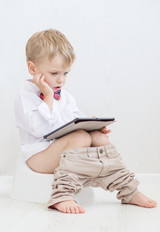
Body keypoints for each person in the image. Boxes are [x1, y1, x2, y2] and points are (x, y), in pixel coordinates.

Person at [15, 29, 157, 214]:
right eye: (55, 72)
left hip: (61, 148)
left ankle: (128, 189)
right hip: (38, 156)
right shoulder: (26, 96)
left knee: (97, 138)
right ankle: (62, 194)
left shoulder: (65, 97)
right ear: (33, 69)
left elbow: (74, 122)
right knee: (81, 139)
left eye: (66, 73)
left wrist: (92, 125)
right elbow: (39, 129)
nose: (61, 79)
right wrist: (48, 97)